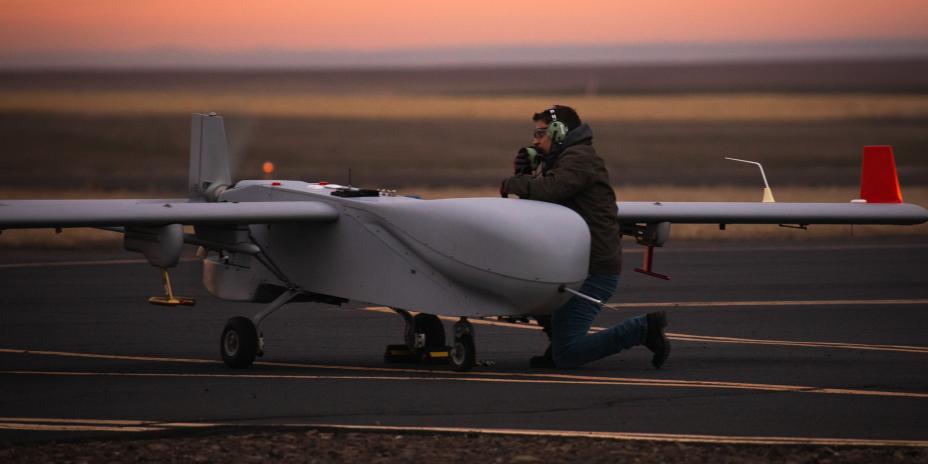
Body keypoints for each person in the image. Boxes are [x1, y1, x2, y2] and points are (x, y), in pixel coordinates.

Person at [500, 105, 670, 369]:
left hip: (593, 270)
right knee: (529, 291)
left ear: (558, 132)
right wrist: (526, 172)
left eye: (540, 133)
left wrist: (513, 182)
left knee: (568, 356)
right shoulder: (565, 160)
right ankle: (557, 345)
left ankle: (642, 329)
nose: (534, 140)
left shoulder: (579, 159)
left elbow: (550, 190)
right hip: (573, 264)